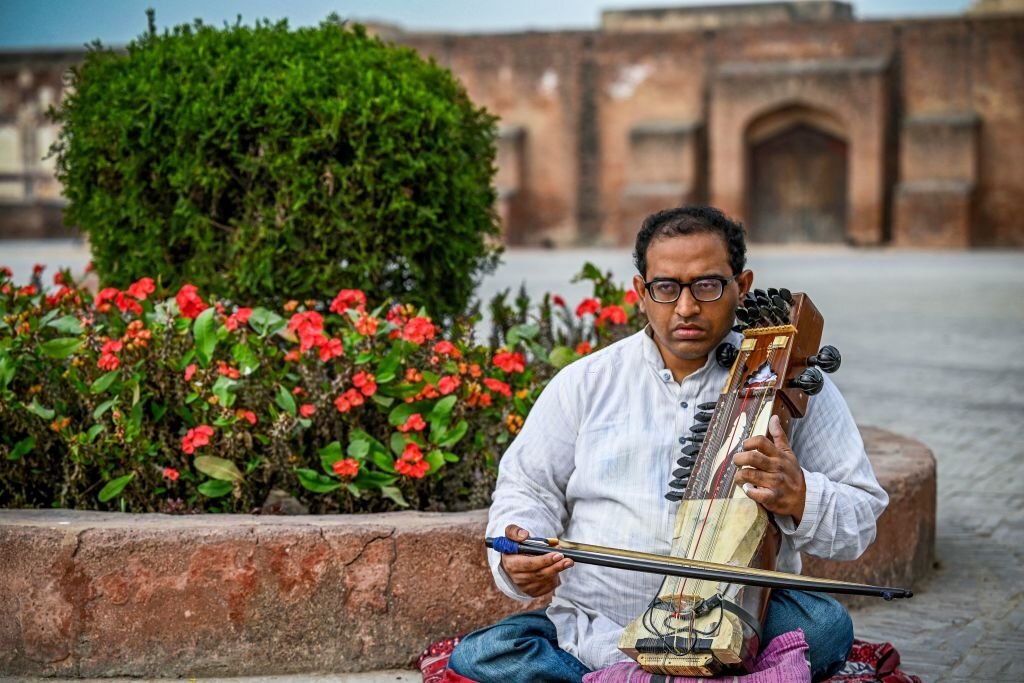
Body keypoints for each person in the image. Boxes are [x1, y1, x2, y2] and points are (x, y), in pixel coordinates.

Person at [449, 206, 888, 683]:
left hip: (735, 621)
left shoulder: (789, 380)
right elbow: (527, 489)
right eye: (666, 287)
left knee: (824, 626)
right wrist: (519, 558)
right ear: (641, 292)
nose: (685, 308)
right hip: (601, 621)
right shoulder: (586, 382)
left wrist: (800, 494)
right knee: (486, 653)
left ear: (742, 285)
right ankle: (644, 674)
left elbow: (861, 516)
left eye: (707, 285)